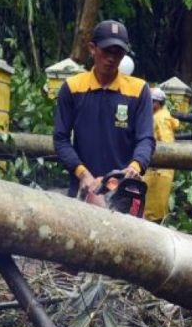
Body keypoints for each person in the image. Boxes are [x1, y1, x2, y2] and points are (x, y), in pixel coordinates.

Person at [53, 20, 155, 203]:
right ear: (92, 48)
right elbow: (61, 139)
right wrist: (82, 173)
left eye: (118, 53)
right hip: (82, 190)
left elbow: (146, 138)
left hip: (123, 192)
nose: (112, 58)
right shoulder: (72, 88)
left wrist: (134, 168)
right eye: (106, 51)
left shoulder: (139, 91)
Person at [144, 87, 180, 222]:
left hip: (158, 171)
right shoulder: (160, 116)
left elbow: (166, 147)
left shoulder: (160, 119)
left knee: (152, 210)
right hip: (157, 170)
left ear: (157, 103)